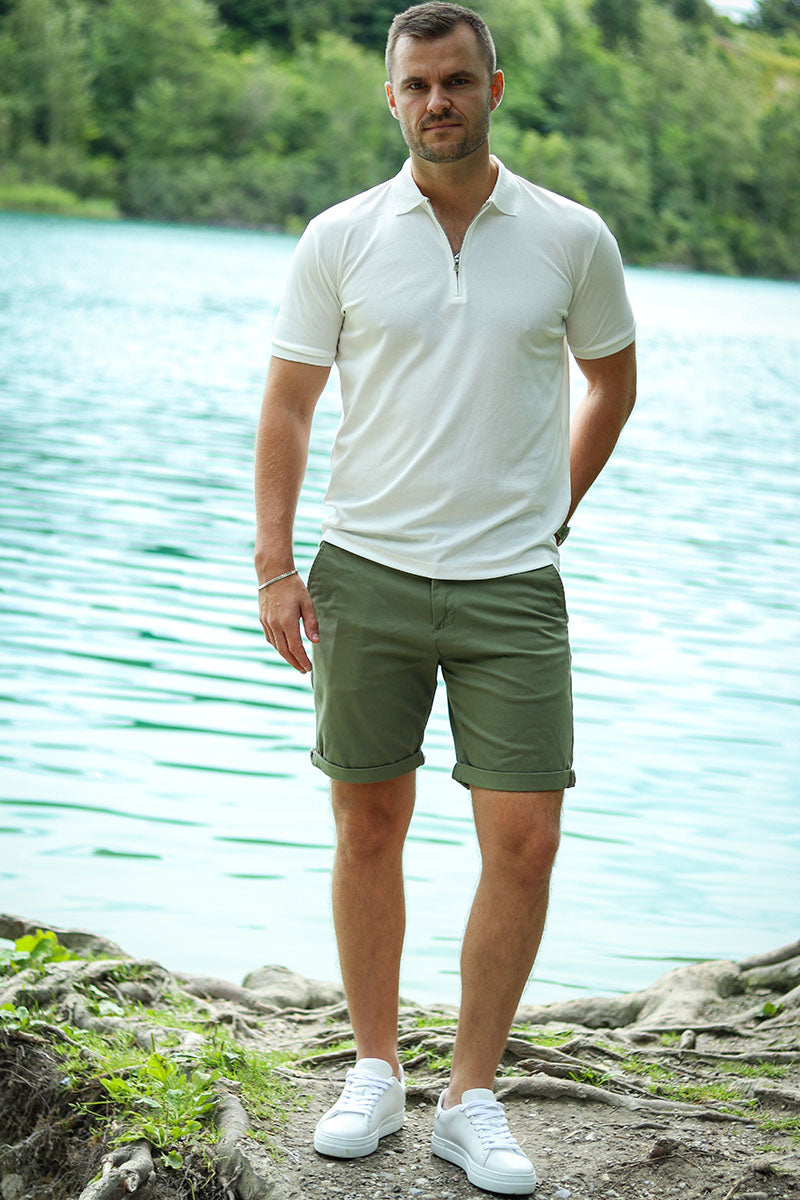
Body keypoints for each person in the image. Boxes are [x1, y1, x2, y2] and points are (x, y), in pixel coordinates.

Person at [254, 3, 636, 1194]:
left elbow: (611, 383)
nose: (437, 102)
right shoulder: (340, 237)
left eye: (456, 80)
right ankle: (373, 1070)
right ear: (391, 97)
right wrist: (273, 567)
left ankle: (472, 1097)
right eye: (416, 84)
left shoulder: (570, 237)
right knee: (366, 825)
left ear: (492, 88)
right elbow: (287, 407)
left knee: (524, 840)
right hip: (362, 573)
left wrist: (552, 512)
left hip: (511, 586)